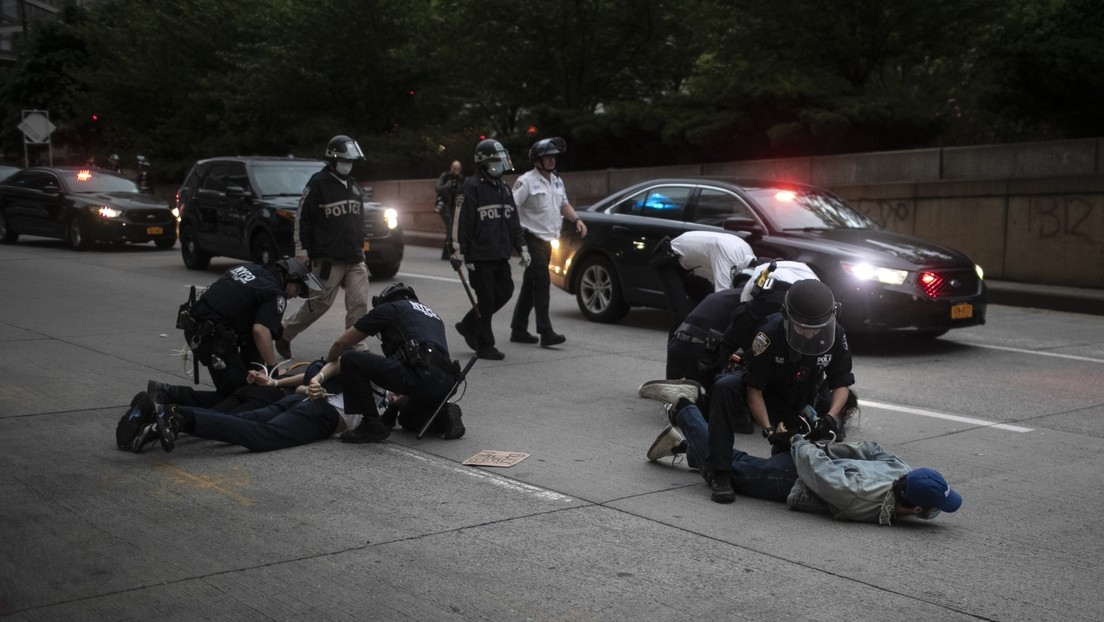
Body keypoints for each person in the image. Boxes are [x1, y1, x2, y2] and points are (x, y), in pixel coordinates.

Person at [640, 279, 856, 503]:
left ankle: (687, 447)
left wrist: (830, 418)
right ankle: (719, 472)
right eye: (803, 328)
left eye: (815, 329)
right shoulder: (770, 333)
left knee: (786, 468)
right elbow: (755, 389)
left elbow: (841, 382)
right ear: (788, 317)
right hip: (759, 385)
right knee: (725, 386)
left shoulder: (836, 334)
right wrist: (770, 432)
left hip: (795, 396)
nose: (809, 335)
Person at [647, 393, 962, 524]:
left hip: (807, 459)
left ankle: (681, 447)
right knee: (725, 466)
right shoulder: (862, 498)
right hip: (794, 477)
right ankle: (683, 407)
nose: (938, 513)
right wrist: (801, 443)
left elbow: (873, 450)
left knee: (733, 460)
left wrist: (824, 447)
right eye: (936, 508)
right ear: (918, 510)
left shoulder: (904, 471)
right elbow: (820, 472)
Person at [313, 282, 465, 442]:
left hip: (422, 377)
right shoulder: (433, 316)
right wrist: (393, 407)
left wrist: (329, 364)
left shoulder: (390, 308)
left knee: (351, 358)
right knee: (407, 419)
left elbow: (341, 343)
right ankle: (442, 415)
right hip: (447, 383)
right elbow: (422, 363)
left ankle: (370, 424)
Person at [116, 361, 350, 454]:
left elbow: (332, 366)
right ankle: (175, 415)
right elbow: (340, 359)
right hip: (320, 411)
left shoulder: (373, 375)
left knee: (236, 419)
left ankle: (160, 419)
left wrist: (306, 385)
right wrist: (315, 380)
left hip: (302, 401)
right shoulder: (377, 369)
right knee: (261, 436)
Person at [277, 134, 372, 360]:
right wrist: (301, 251)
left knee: (359, 302)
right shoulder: (318, 184)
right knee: (319, 304)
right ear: (333, 159)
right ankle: (285, 333)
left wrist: (362, 248)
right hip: (329, 258)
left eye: (351, 161)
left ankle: (354, 345)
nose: (348, 165)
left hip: (355, 257)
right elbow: (302, 219)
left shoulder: (353, 186)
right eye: (345, 160)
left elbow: (358, 222)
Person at [177, 258, 322, 398]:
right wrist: (272, 368)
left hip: (196, 327)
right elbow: (260, 330)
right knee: (239, 395)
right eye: (297, 289)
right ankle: (174, 398)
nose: (295, 295)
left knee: (243, 383)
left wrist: (258, 365)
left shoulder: (250, 268)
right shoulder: (275, 294)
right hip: (213, 339)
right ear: (290, 278)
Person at [450, 139, 528, 360]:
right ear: (483, 162)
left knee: (504, 291)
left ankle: (467, 324)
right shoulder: (471, 187)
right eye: (496, 161)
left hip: (500, 253)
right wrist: (457, 250)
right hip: (480, 255)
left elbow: (513, 221)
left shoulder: (503, 188)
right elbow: (460, 221)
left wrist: (522, 246)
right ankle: (485, 344)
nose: (500, 165)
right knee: (486, 299)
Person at [509, 137, 587, 347]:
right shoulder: (526, 181)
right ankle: (545, 331)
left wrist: (577, 220)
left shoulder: (557, 180)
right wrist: (515, 235)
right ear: (537, 160)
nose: (552, 160)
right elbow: (510, 206)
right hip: (530, 238)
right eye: (547, 157)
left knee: (530, 284)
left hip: (548, 240)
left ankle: (518, 329)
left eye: (554, 157)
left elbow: (564, 205)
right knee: (542, 282)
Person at [650, 231, 755, 331]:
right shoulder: (729, 257)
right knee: (682, 315)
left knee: (705, 310)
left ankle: (697, 347)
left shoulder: (747, 256)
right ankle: (675, 349)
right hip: (671, 260)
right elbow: (722, 297)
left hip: (694, 268)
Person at [435, 160, 464, 260]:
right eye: (454, 168)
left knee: (452, 229)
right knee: (450, 227)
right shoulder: (445, 176)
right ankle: (447, 253)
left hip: (454, 207)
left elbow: (462, 192)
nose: (456, 171)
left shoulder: (461, 179)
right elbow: (437, 188)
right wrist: (446, 186)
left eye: (458, 169)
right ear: (451, 168)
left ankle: (448, 252)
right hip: (444, 205)